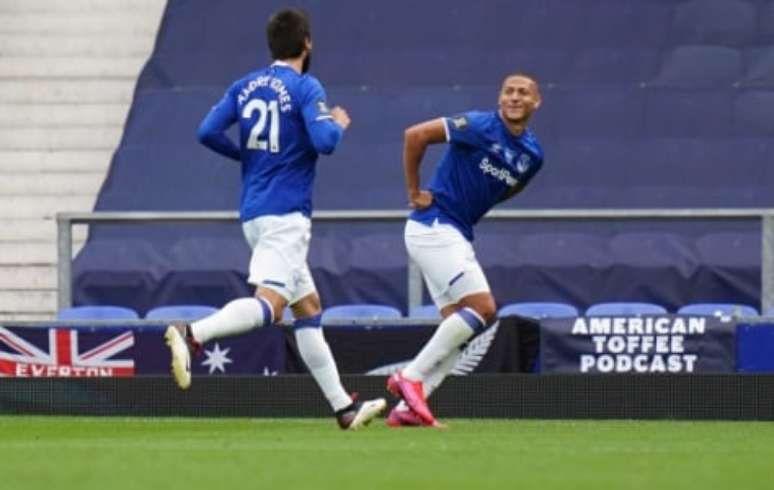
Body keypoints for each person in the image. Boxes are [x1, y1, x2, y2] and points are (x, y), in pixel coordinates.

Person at [164, 9, 386, 430]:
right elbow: (325, 142)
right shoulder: (305, 86)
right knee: (271, 307)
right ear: (307, 44)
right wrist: (337, 123)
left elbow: (207, 131)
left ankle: (344, 408)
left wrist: (247, 157)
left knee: (309, 308)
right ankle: (192, 334)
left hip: (253, 211)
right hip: (286, 214)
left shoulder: (245, 84)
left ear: (271, 46)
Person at [387, 74, 544, 427]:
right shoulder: (478, 125)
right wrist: (414, 192)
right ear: (499, 98)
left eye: (523, 93)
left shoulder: (533, 155)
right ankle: (409, 378)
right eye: (509, 92)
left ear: (537, 102)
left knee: (460, 325)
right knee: (483, 308)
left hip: (454, 231)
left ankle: (408, 409)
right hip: (434, 225)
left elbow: (507, 190)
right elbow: (415, 135)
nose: (515, 98)